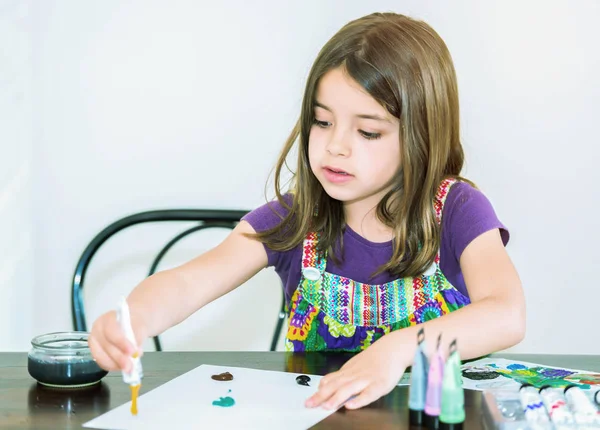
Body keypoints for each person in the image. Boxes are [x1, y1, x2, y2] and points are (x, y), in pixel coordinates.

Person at [88, 11, 526, 410]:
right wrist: (136, 316)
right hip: (316, 417)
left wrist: (398, 348)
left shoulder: (457, 210)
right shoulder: (295, 219)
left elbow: (507, 314)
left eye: (368, 131)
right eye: (322, 121)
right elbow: (189, 282)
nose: (336, 144)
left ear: (422, 136)